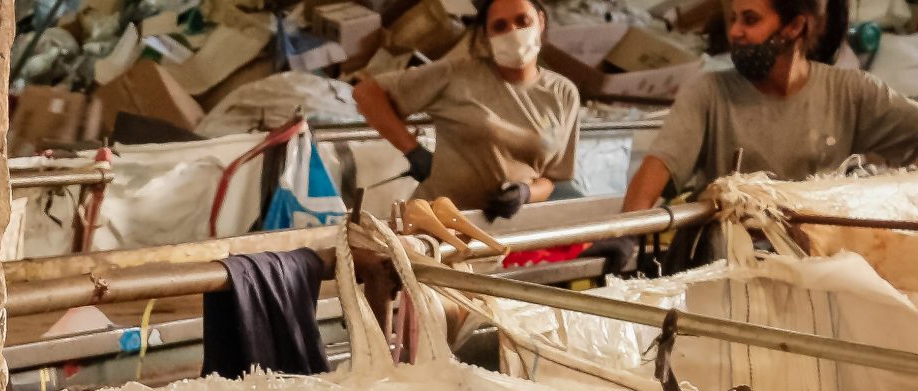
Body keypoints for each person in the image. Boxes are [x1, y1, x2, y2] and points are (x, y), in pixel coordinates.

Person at [624, 0, 918, 208]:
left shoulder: (851, 92)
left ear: (794, 27)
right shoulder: (709, 93)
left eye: (750, 20)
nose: (735, 32)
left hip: (818, 266)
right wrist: (625, 236)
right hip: (731, 267)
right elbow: (657, 169)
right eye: (735, 18)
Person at [357, 0, 585, 220]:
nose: (513, 31)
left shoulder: (562, 94)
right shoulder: (456, 75)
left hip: (509, 232)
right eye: (500, 26)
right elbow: (367, 93)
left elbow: (551, 178)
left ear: (541, 21)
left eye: (522, 21)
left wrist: (526, 193)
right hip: (435, 224)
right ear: (486, 35)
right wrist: (413, 150)